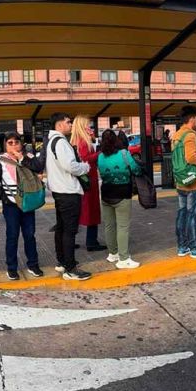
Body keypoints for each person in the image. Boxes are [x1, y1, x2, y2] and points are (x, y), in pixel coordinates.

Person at [0, 132, 45, 280]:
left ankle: (33, 265)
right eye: (10, 143)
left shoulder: (29, 158)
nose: (14, 145)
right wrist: (4, 198)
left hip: (28, 203)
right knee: (12, 236)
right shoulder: (0, 162)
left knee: (29, 235)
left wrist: (22, 158)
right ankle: (11, 267)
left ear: (21, 144)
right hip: (11, 206)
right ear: (5, 145)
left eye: (16, 142)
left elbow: (39, 167)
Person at [46, 112, 93, 280]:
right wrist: (85, 167)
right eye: (68, 122)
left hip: (59, 191)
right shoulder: (61, 142)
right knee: (69, 231)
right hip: (68, 192)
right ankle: (71, 268)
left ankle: (62, 262)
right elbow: (70, 166)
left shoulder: (52, 141)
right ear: (59, 125)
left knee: (61, 228)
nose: (71, 125)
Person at [97, 129, 141, 269]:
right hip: (122, 194)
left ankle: (112, 253)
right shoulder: (124, 154)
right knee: (123, 227)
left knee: (109, 225)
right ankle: (123, 258)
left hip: (106, 194)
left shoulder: (100, 157)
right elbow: (135, 169)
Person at [172, 106, 196, 258]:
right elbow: (191, 157)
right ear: (191, 118)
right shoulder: (190, 135)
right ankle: (195, 248)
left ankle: (183, 246)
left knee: (182, 213)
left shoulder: (177, 134)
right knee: (192, 214)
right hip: (193, 181)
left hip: (182, 180)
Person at [71, 116, 106, 252]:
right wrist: (99, 153)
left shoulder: (76, 140)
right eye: (88, 125)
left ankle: (73, 240)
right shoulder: (83, 141)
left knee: (79, 211)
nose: (90, 128)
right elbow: (86, 159)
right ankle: (92, 241)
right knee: (92, 210)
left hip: (82, 179)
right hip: (88, 179)